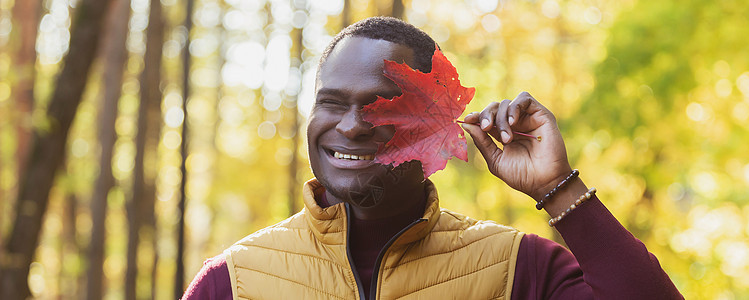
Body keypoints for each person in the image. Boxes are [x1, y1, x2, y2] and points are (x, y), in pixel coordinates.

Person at [182, 17, 683, 299]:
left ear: (438, 128)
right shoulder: (232, 282)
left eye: (384, 105)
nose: (352, 125)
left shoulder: (519, 271)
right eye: (332, 103)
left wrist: (559, 189)